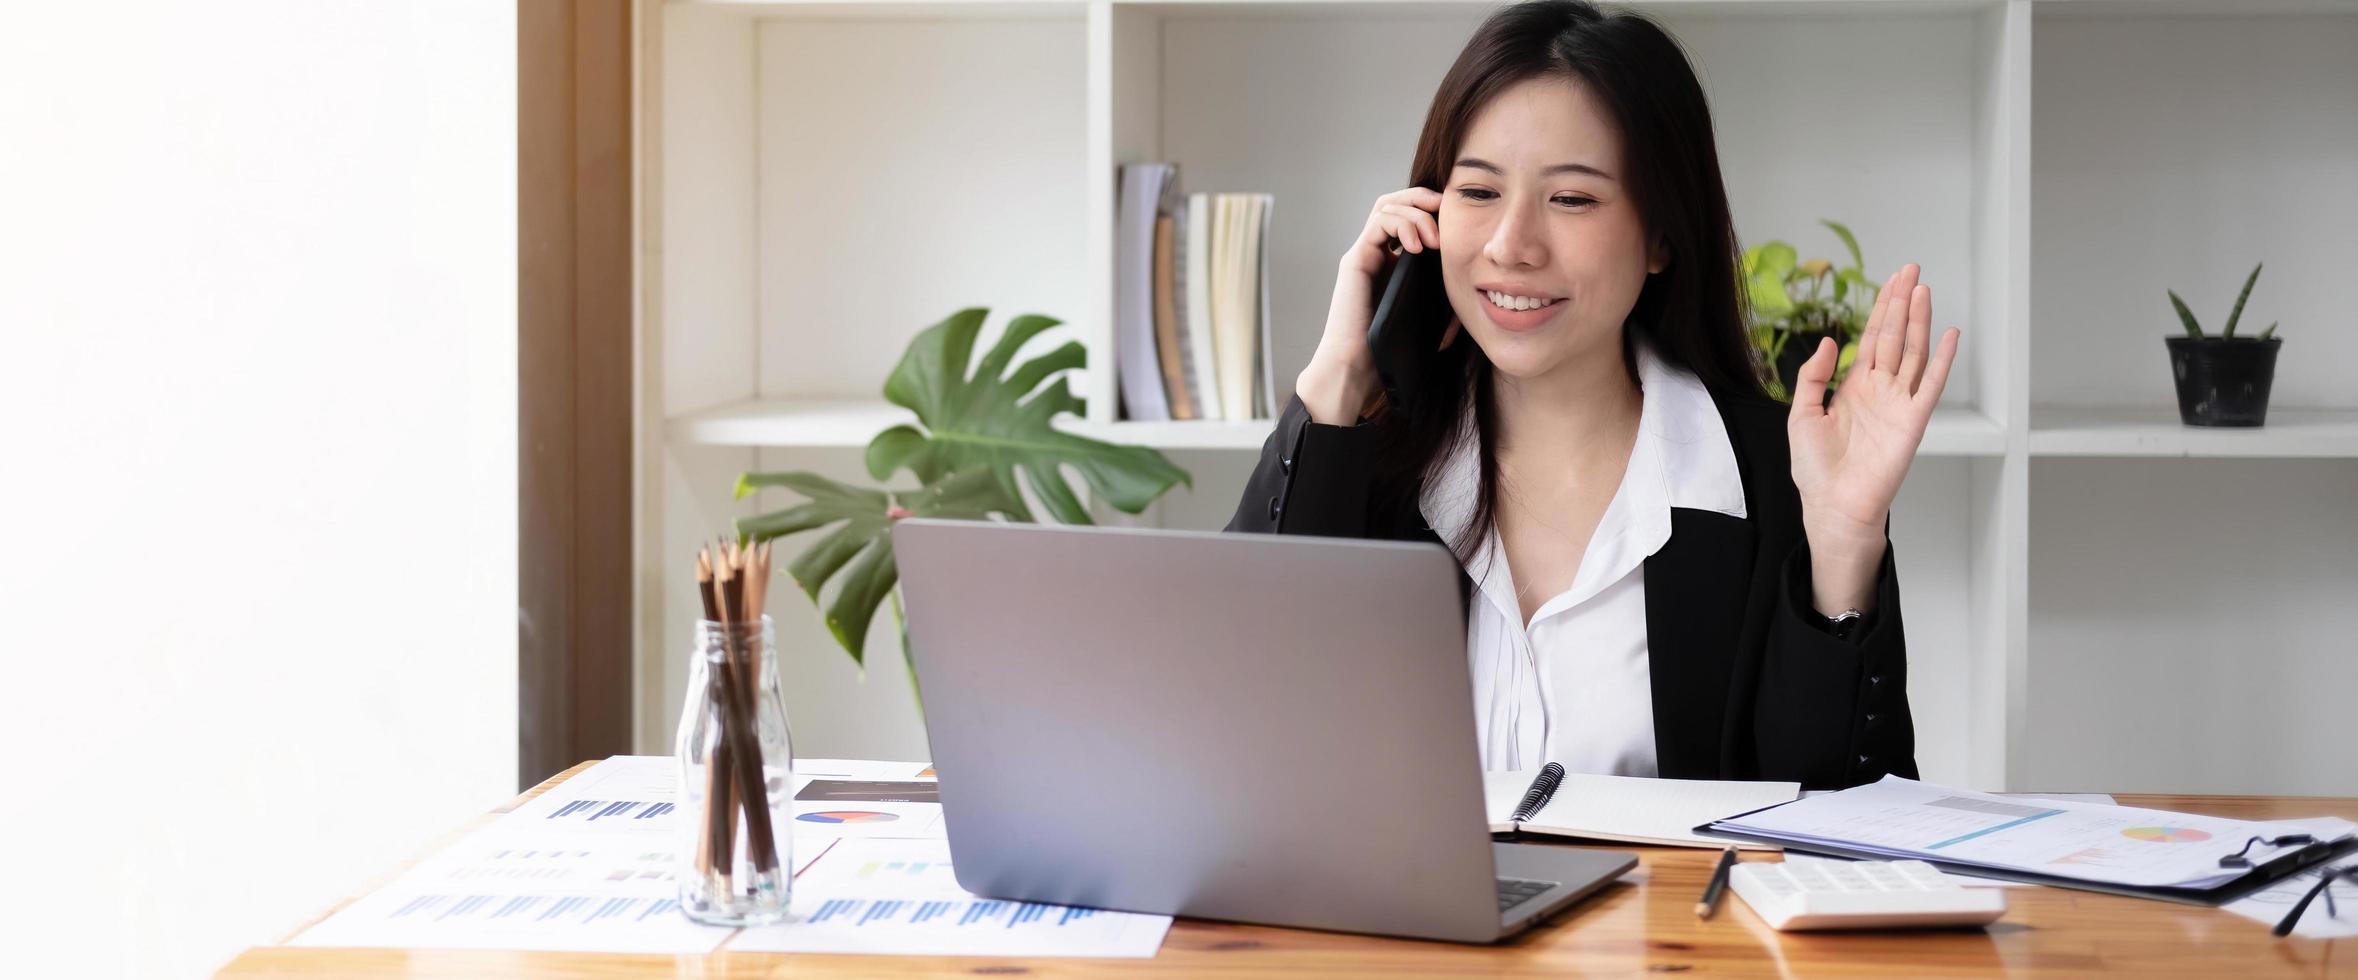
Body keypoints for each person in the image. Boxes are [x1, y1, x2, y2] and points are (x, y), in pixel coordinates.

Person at [1225, 0, 1961, 790]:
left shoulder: (1771, 476)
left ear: (1660, 237)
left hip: (1672, 918)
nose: (1512, 246)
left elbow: (1844, 823)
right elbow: (1233, 724)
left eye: (1571, 199)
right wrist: (1339, 378)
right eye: (1477, 192)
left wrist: (1844, 545)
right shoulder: (1367, 467)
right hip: (1420, 917)